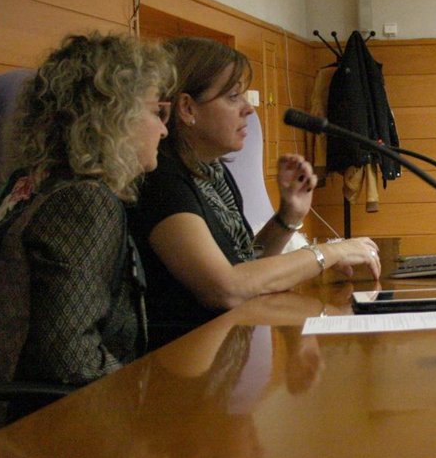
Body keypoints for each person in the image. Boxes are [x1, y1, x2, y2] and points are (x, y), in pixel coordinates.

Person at [0, 32, 173, 399]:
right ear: (114, 115)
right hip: (30, 423)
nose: (163, 128)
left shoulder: (28, 185)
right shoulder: (85, 202)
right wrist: (149, 398)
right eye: (155, 111)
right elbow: (72, 363)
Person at [131, 37, 381, 350]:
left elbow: (247, 263)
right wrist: (330, 253)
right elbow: (226, 288)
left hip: (227, 352)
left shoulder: (213, 173)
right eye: (233, 96)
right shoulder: (163, 180)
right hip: (178, 360)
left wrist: (288, 217)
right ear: (187, 108)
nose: (248, 109)